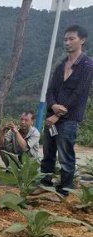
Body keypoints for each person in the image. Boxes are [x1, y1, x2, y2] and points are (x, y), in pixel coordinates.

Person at [40, 25, 93, 196]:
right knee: (48, 152)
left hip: (69, 119)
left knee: (65, 154)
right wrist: (53, 105)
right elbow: (50, 90)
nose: (67, 42)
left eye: (72, 39)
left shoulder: (87, 65)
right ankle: (45, 183)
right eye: (65, 39)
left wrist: (57, 114)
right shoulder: (61, 65)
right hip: (52, 118)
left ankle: (65, 189)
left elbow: (79, 93)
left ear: (82, 40)